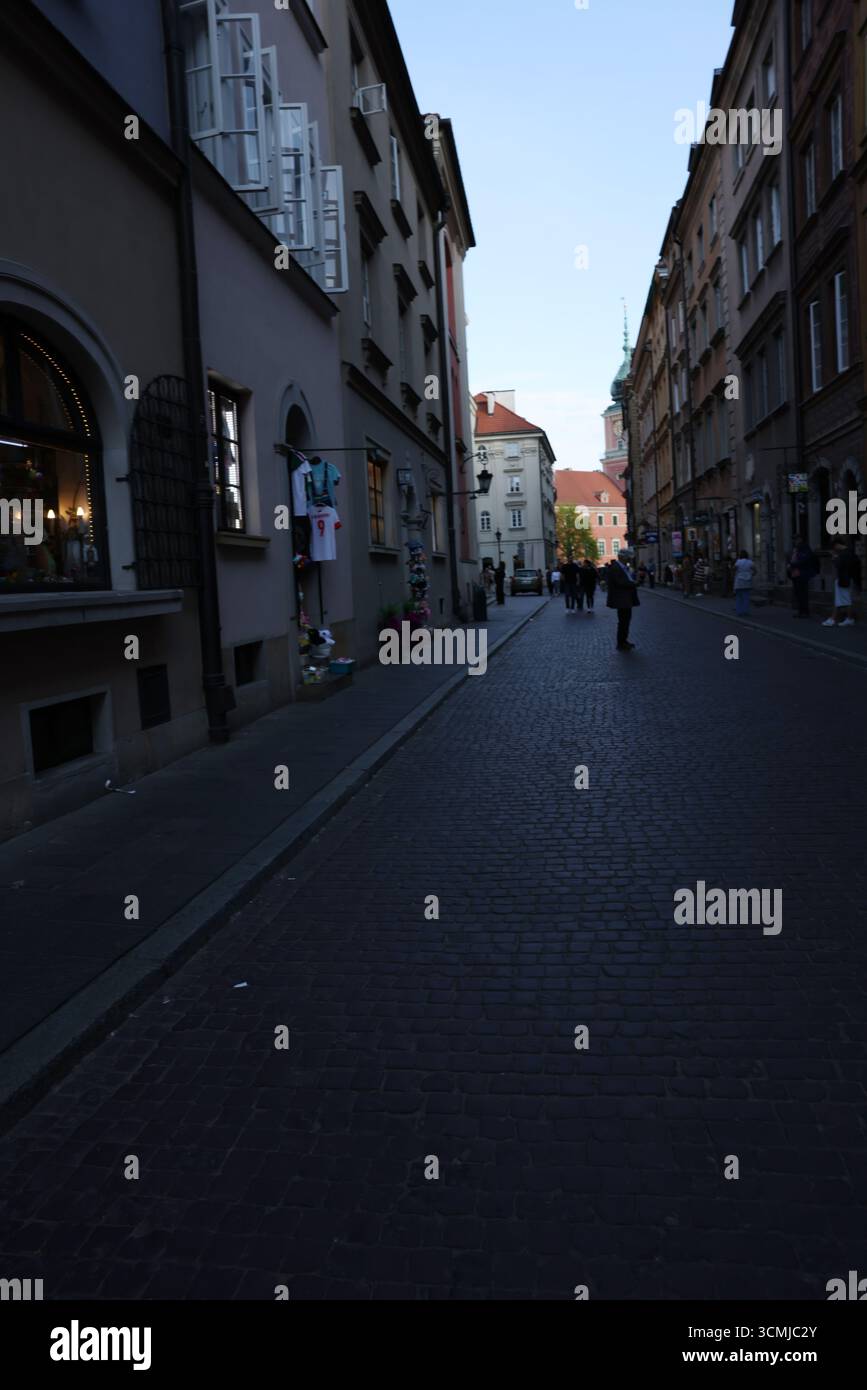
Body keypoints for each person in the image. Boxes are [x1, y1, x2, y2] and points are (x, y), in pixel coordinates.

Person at [607, 549, 640, 650]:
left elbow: (624, 580)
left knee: (625, 621)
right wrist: (634, 584)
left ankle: (623, 641)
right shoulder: (616, 567)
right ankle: (621, 643)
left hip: (625, 598)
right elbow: (620, 582)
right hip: (621, 599)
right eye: (628, 557)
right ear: (622, 557)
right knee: (623, 621)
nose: (629, 559)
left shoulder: (622, 567)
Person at [823, 542, 860, 627]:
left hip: (844, 579)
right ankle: (835, 618)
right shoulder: (849, 552)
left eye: (834, 548)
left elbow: (840, 566)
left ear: (837, 545)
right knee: (840, 600)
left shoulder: (845, 554)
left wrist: (835, 557)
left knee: (844, 599)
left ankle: (838, 619)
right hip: (845, 579)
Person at [788, 535, 818, 618]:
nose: (794, 541)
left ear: (800, 539)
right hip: (796, 573)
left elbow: (804, 560)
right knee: (799, 593)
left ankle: (804, 612)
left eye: (795, 539)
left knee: (802, 593)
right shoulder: (797, 548)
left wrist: (792, 564)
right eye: (793, 540)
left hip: (802, 573)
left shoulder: (804, 548)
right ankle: (801, 611)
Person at [732, 549, 756, 617]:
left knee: (739, 598)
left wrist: (735, 573)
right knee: (746, 598)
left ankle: (739, 612)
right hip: (747, 582)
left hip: (739, 582)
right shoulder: (750, 562)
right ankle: (746, 611)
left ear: (740, 555)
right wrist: (751, 575)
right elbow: (755, 571)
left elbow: (734, 569)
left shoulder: (738, 562)